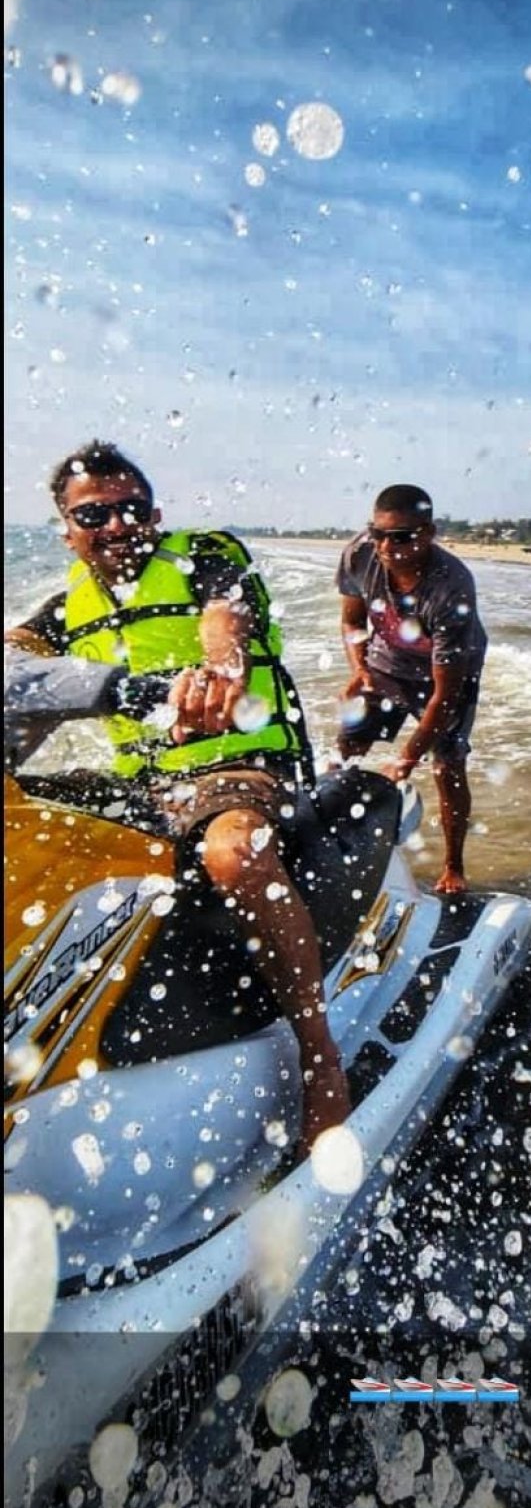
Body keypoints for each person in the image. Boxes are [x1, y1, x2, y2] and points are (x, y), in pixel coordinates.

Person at [4, 440, 349, 1154]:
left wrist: (217, 675)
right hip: (146, 784)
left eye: (130, 508)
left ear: (153, 513)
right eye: (93, 513)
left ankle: (319, 1050)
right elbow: (18, 658)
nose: (116, 524)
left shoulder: (206, 557)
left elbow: (224, 623)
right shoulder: (68, 603)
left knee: (232, 853)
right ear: (67, 530)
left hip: (238, 766)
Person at [335, 484, 487, 895]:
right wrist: (360, 669)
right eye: (377, 533)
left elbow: (445, 695)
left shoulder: (451, 586)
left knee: (447, 765)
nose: (385, 546)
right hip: (388, 660)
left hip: (449, 673)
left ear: (428, 532)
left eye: (400, 537)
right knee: (348, 740)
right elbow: (352, 623)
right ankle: (336, 833)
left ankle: (454, 865)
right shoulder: (359, 554)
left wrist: (405, 760)